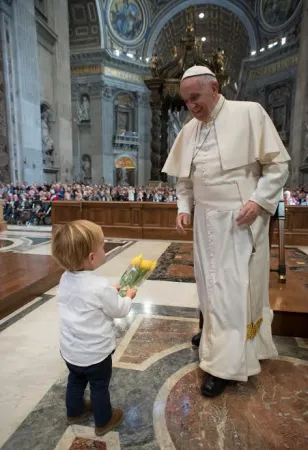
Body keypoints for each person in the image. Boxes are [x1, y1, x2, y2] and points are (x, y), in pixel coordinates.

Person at [162, 65, 290, 397]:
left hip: (240, 221)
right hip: (205, 224)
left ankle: (226, 367)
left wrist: (259, 201)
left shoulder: (250, 114)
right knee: (210, 293)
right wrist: (183, 208)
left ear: (215, 88)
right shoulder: (189, 130)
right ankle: (215, 347)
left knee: (234, 295)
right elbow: (184, 181)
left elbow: (278, 165)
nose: (191, 106)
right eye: (186, 100)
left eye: (196, 98)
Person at [52, 220, 137, 435]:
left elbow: (85, 295)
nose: (105, 249)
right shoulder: (99, 287)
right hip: (96, 354)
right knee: (99, 387)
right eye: (102, 246)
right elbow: (119, 310)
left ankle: (74, 411)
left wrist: (109, 289)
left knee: (76, 379)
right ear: (91, 257)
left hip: (71, 351)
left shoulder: (65, 278)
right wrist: (127, 296)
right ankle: (104, 421)